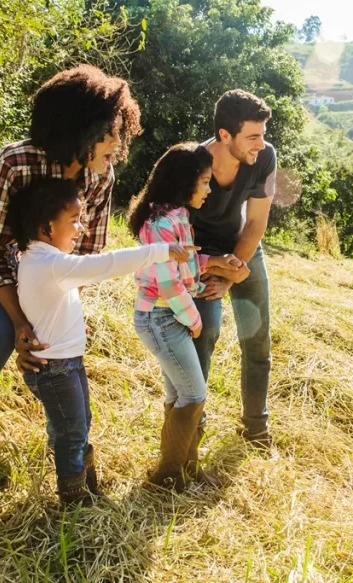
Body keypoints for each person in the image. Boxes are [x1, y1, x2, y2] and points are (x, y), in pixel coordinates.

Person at [0, 65, 140, 465]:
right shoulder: (16, 161)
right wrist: (25, 322)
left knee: (51, 341)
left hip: (23, 256)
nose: (117, 142)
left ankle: (67, 448)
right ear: (78, 129)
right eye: (106, 132)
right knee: (4, 331)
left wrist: (58, 317)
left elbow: (81, 258)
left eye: (118, 129)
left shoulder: (100, 175)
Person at [11, 177, 191, 505]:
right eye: (74, 221)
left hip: (65, 363)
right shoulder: (50, 263)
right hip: (55, 368)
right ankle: (74, 498)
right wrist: (160, 250)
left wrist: (76, 329)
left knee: (77, 423)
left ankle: (86, 486)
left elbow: (50, 308)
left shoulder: (38, 260)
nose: (80, 229)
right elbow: (105, 265)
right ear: (47, 227)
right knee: (72, 431)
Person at [128, 143, 248, 491]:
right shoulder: (160, 223)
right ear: (185, 183)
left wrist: (220, 262)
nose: (210, 190)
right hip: (161, 319)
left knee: (179, 394)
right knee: (194, 394)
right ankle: (167, 478)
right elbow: (167, 281)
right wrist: (194, 319)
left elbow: (187, 266)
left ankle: (186, 469)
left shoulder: (178, 216)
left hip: (171, 318)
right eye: (205, 182)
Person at [189, 90, 277, 448]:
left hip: (243, 247)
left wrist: (235, 269)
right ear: (225, 135)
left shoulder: (265, 156)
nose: (261, 143)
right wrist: (213, 268)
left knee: (257, 340)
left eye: (263, 134)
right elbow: (170, 226)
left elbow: (256, 222)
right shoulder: (192, 163)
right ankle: (193, 424)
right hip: (200, 254)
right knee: (204, 333)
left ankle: (256, 427)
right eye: (252, 136)